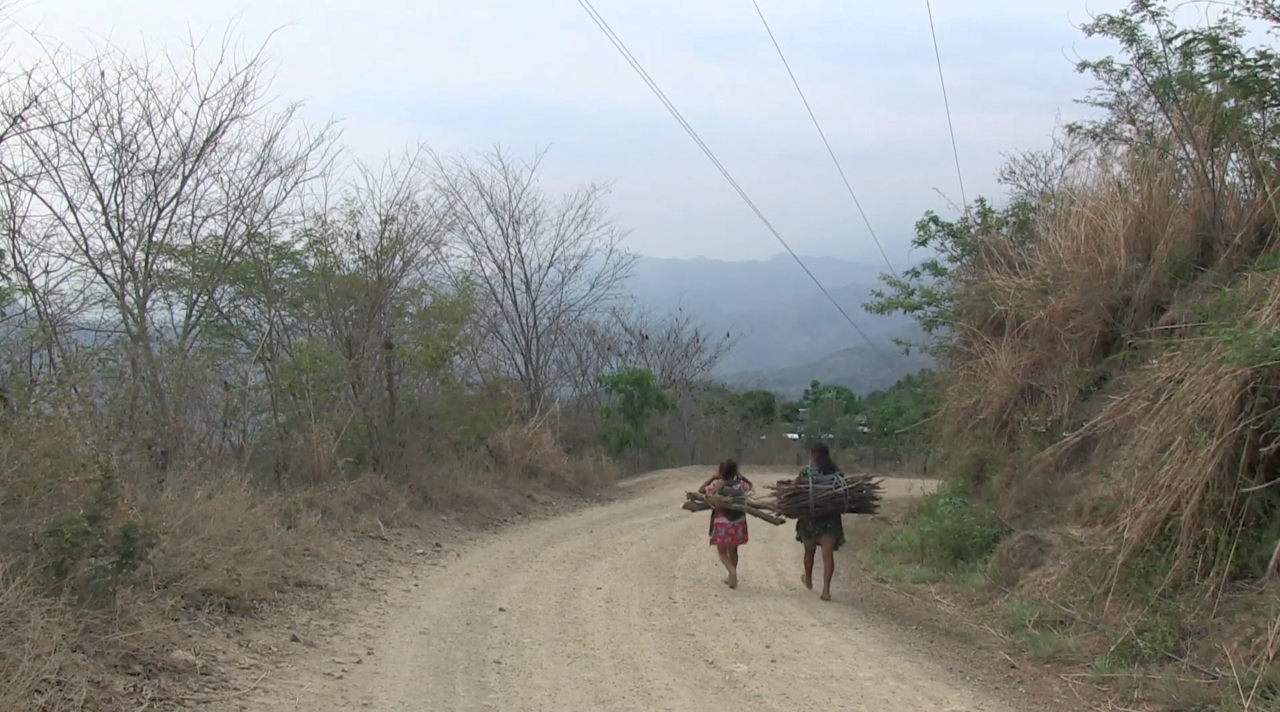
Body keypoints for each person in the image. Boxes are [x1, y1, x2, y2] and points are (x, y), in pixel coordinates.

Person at [796, 443, 846, 601]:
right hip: (830, 520)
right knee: (827, 556)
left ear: (812, 455)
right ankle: (826, 590)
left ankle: (809, 579)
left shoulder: (806, 472)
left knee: (809, 551)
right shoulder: (837, 474)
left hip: (811, 519)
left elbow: (796, 488)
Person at [697, 459, 753, 589]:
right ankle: (731, 575)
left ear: (720, 472)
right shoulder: (740, 485)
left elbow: (700, 491)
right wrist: (741, 477)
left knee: (722, 551)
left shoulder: (717, 485)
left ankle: (731, 572)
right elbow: (750, 486)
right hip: (738, 522)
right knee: (733, 549)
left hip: (722, 523)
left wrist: (713, 478)